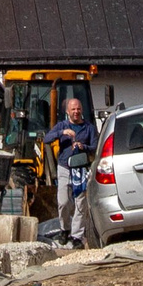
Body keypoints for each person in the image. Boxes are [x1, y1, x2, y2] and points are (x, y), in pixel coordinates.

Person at [43, 96, 97, 246]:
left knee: (81, 202)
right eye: (73, 109)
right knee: (64, 202)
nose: (76, 112)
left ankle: (77, 236)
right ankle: (64, 229)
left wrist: (83, 147)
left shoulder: (89, 128)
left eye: (78, 109)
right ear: (67, 111)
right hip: (64, 168)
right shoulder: (62, 126)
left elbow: (95, 147)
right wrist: (62, 133)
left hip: (81, 169)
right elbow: (47, 139)